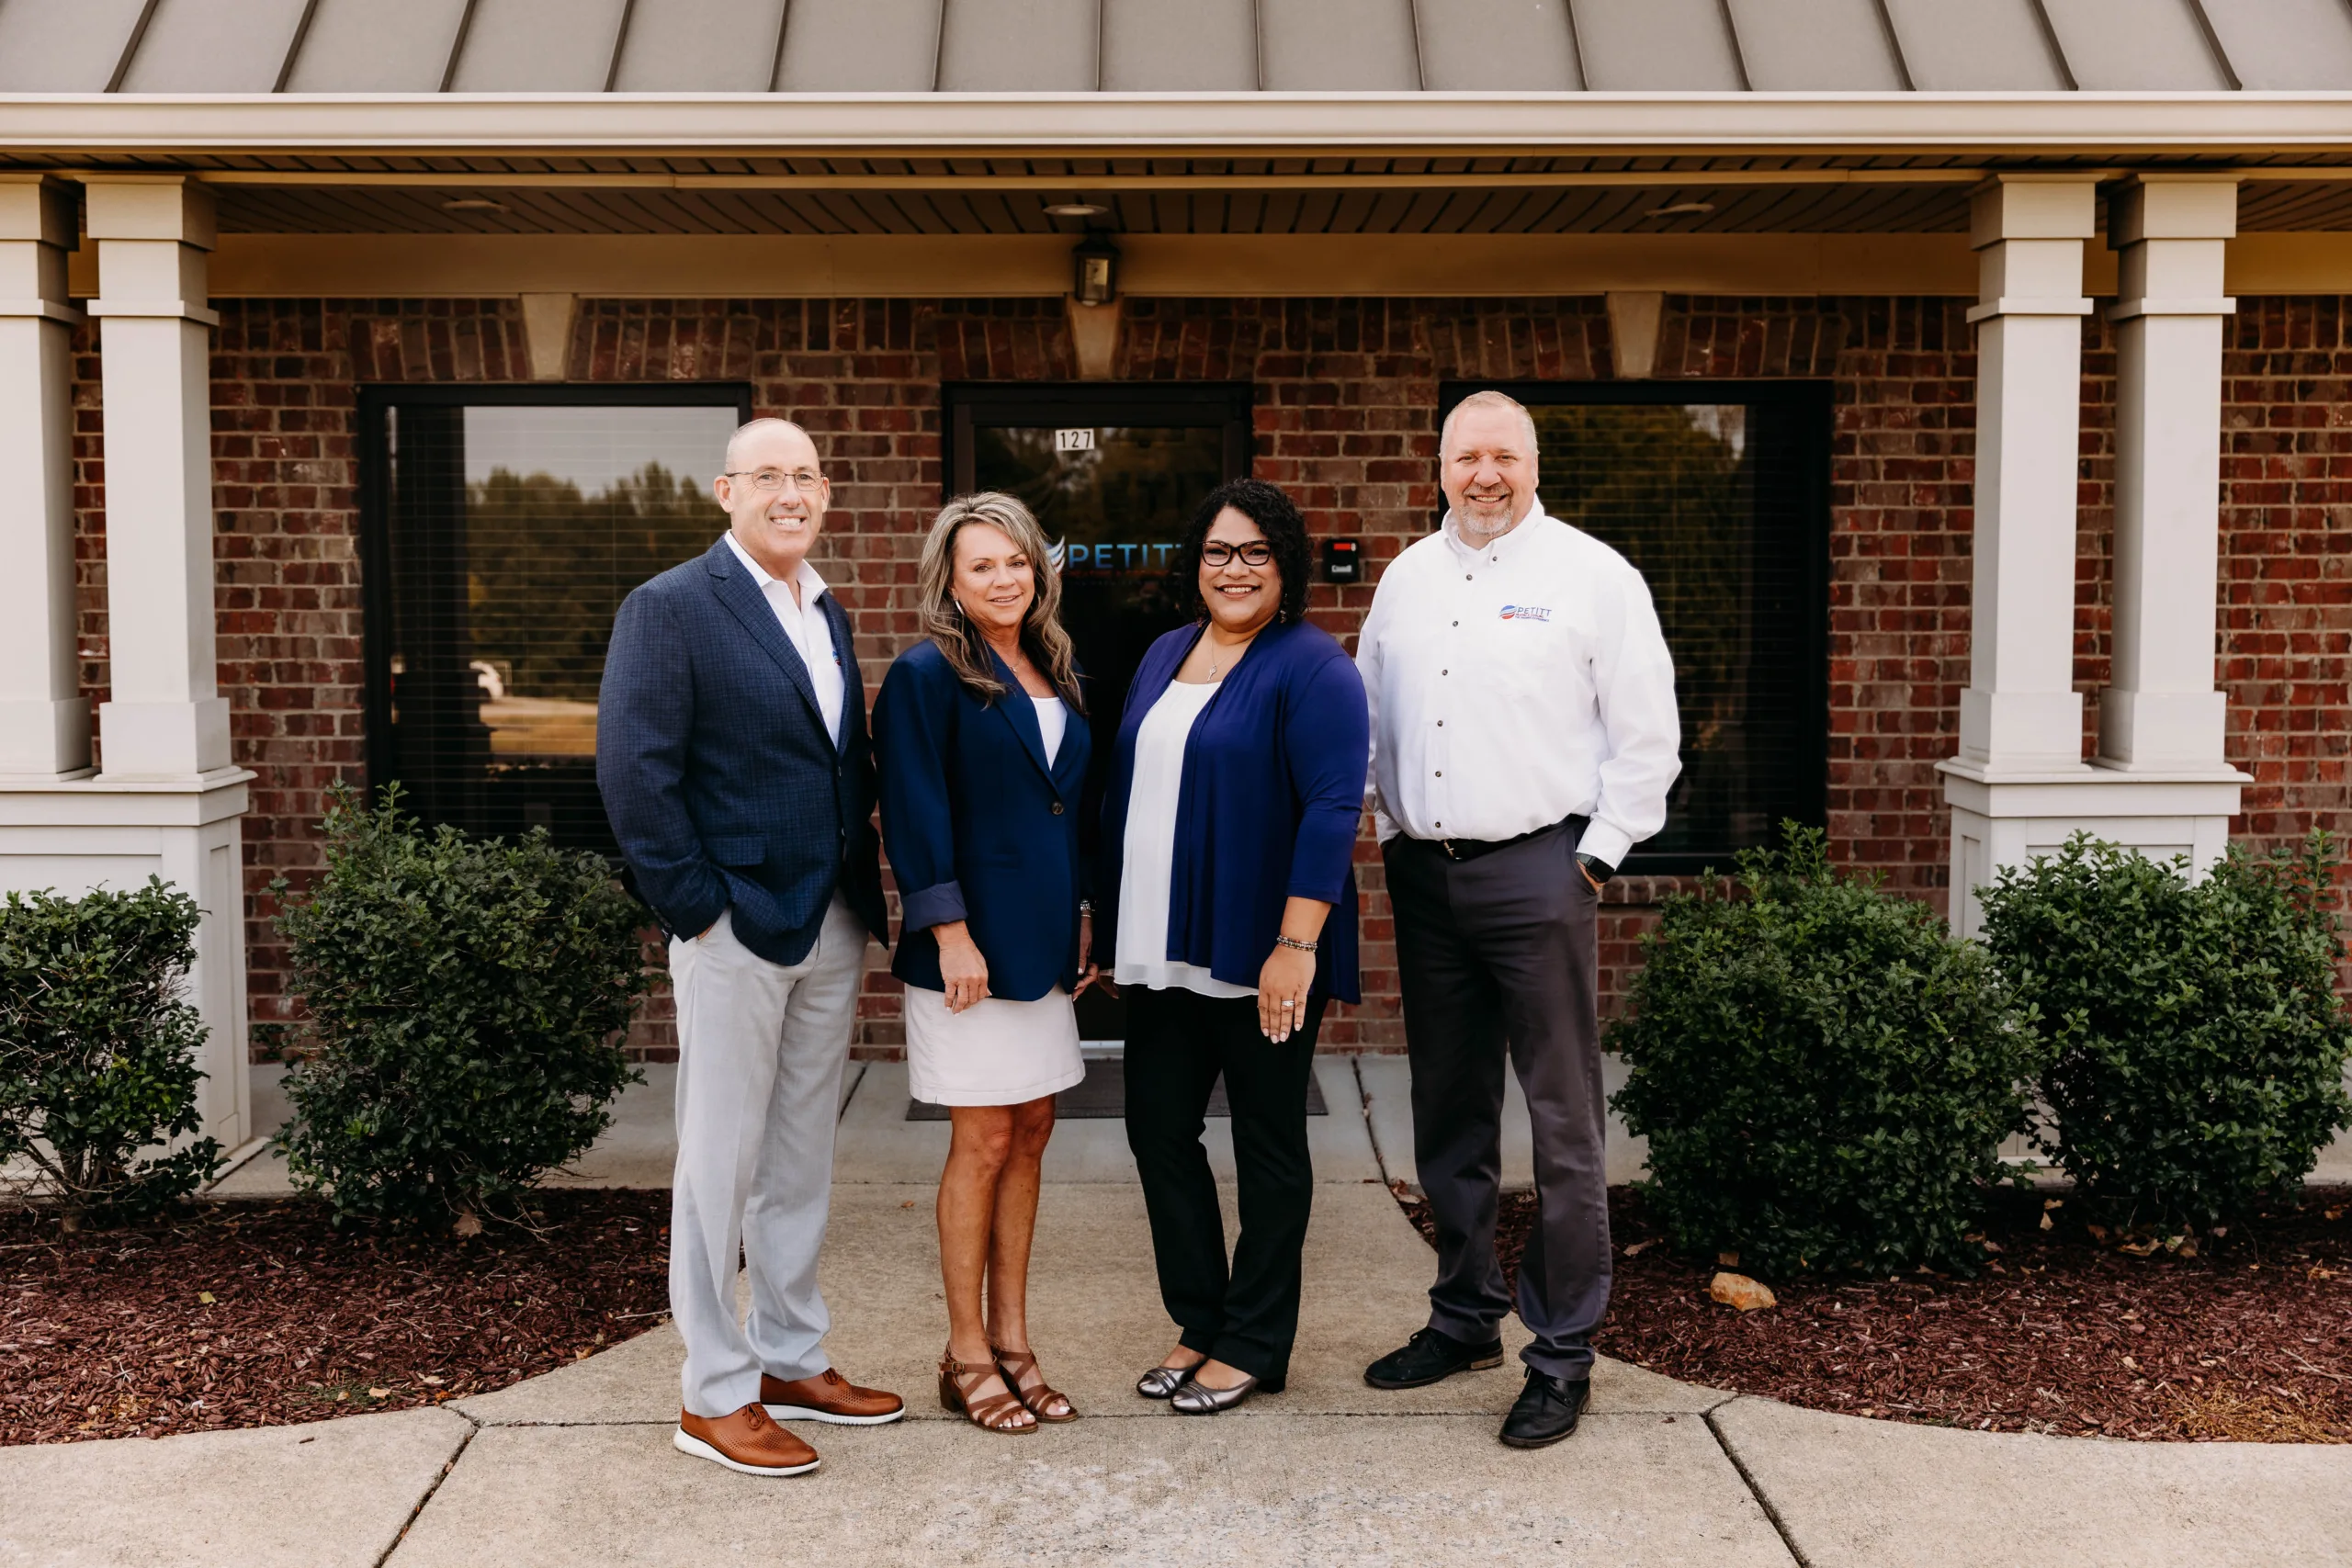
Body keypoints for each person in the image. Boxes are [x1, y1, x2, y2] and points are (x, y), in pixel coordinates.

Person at [1355, 389, 1680, 1450]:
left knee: (1561, 1124)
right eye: (1464, 458)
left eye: (1503, 456)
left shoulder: (1592, 576)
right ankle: (1462, 1317)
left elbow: (1647, 737)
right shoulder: (1406, 578)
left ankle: (1561, 1354)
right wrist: (1370, 825)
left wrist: (1592, 858)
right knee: (1447, 1113)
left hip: (1539, 873)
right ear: (1438, 465)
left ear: (1533, 462)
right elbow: (1367, 720)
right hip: (1425, 875)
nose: (1483, 475)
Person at [597, 416, 904, 1479]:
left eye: (807, 475)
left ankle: (788, 1354)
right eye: (768, 475)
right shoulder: (671, 606)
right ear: (725, 492)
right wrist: (698, 907)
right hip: (734, 920)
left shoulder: (827, 608)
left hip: (830, 916)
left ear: (826, 494)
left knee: (797, 1155)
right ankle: (713, 1392)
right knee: (718, 1160)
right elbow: (636, 774)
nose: (790, 492)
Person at [1097, 477, 1370, 1416]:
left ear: (1286, 565)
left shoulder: (1313, 666)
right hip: (1160, 942)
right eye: (1218, 551)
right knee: (1158, 1132)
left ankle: (1253, 1339)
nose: (1234, 569)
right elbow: (1125, 788)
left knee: (1266, 1144)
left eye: (1255, 551)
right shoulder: (1165, 653)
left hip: (1262, 952)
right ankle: (1198, 1318)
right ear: (1194, 565)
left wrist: (1297, 943)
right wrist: (1107, 913)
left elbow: (1334, 808)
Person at [872, 492, 1101, 1437]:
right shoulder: (927, 675)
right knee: (983, 1142)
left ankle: (1014, 1340)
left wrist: (1083, 911)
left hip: (1043, 944)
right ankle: (965, 1351)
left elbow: (1067, 810)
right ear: (951, 584)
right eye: (982, 567)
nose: (1004, 578)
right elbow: (913, 808)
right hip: (967, 951)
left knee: (1035, 1129)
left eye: (1016, 561)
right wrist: (947, 929)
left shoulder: (1055, 666)